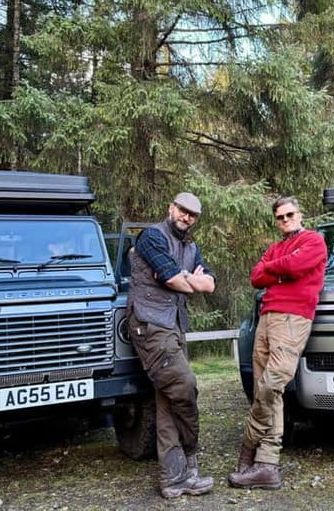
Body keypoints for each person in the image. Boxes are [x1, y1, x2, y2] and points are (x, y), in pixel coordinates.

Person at [228, 196, 327, 490]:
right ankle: (267, 466)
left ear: (300, 214)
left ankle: (248, 447)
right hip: (266, 318)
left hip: (293, 318)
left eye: (289, 214)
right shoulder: (274, 247)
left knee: (272, 385)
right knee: (266, 391)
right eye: (280, 217)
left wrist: (276, 266)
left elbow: (297, 267)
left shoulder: (314, 240)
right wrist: (278, 266)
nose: (285, 220)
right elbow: (256, 277)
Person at [126, 192, 216, 498]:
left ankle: (173, 480)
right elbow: (170, 279)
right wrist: (187, 280)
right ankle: (191, 458)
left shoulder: (190, 245)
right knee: (184, 387)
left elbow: (209, 282)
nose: (186, 216)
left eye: (192, 214)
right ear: (171, 207)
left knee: (167, 401)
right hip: (151, 325)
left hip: (175, 326)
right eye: (182, 209)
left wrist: (184, 278)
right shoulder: (151, 237)